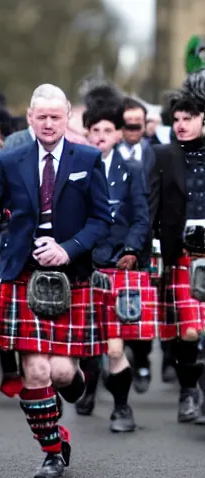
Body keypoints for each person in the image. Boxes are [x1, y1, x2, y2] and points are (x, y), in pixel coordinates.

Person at [0, 84, 111, 478]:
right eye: (42, 117)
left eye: (56, 116)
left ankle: (76, 381)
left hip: (72, 276)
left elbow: (101, 219)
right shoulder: (10, 159)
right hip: (23, 276)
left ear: (68, 116)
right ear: (30, 118)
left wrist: (69, 250)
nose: (49, 124)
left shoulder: (88, 157)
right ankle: (52, 452)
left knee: (62, 373)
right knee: (36, 370)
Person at [75, 82, 153, 432]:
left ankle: (122, 409)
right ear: (88, 134)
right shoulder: (74, 170)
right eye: (96, 130)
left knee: (115, 348)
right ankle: (89, 386)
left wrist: (133, 250)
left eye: (109, 129)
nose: (102, 135)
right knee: (87, 347)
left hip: (119, 264)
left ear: (119, 134)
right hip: (84, 265)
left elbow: (141, 218)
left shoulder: (132, 171)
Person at [149, 70, 205, 423]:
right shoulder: (163, 156)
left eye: (189, 118)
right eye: (177, 119)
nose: (181, 125)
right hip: (182, 254)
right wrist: (151, 250)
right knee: (189, 331)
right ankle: (188, 392)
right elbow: (151, 205)